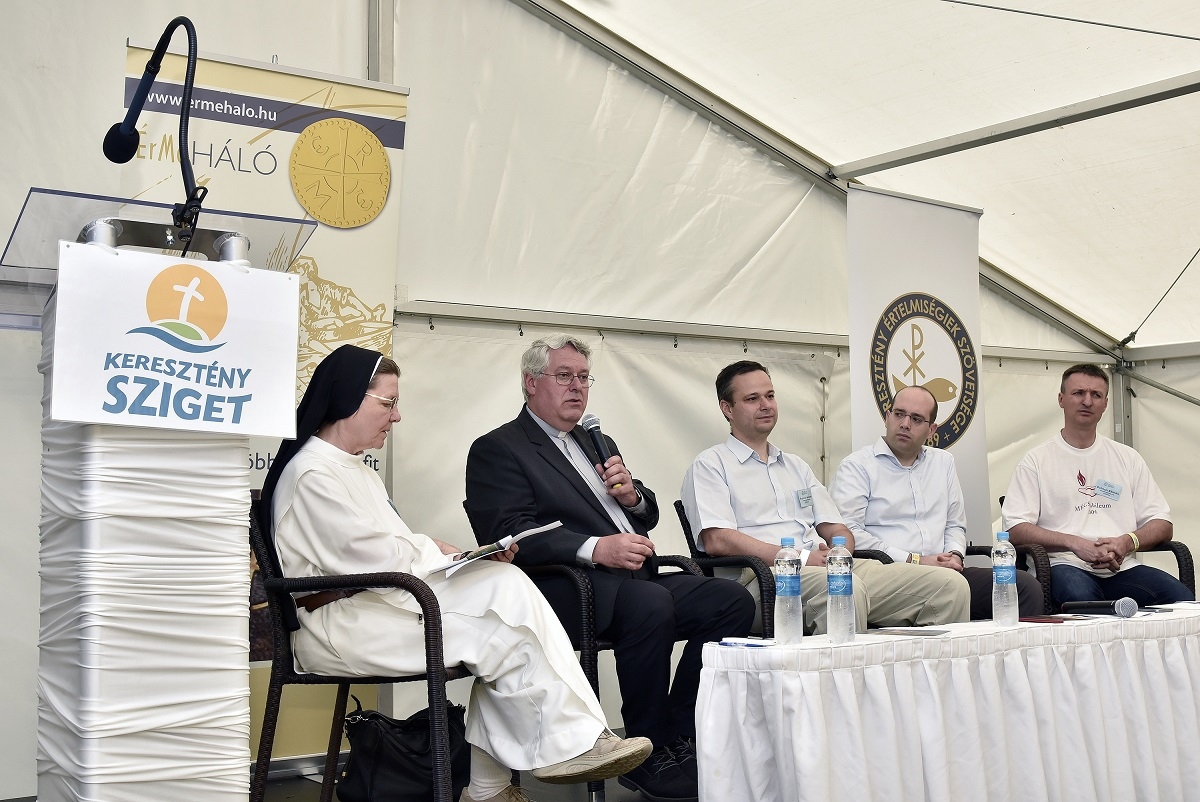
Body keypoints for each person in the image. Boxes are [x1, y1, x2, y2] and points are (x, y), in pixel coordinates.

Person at [259, 345, 651, 802]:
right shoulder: (311, 473)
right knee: (503, 639)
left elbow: (388, 551)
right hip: (339, 626)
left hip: (377, 604)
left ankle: (561, 750)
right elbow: (368, 558)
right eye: (388, 403)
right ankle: (543, 759)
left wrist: (467, 557)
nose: (397, 416)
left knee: (507, 586)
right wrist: (448, 553)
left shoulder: (353, 470)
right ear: (348, 399)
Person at [465, 334, 755, 802]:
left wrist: (633, 496)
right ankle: (647, 750)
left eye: (584, 377)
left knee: (730, 600)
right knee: (650, 603)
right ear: (530, 382)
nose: (577, 387)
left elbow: (647, 513)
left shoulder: (596, 440)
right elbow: (509, 531)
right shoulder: (499, 448)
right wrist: (595, 548)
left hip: (634, 579)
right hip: (564, 587)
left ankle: (683, 732)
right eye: (564, 376)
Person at [680, 360, 970, 634]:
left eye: (770, 395)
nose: (766, 405)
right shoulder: (711, 465)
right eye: (752, 399)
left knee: (949, 586)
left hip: (824, 568)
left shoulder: (795, 466)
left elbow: (837, 528)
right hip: (759, 580)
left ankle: (919, 674)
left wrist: (840, 550)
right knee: (843, 587)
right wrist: (803, 558)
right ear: (727, 408)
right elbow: (718, 539)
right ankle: (847, 674)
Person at [831, 385, 1043, 619]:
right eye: (899, 414)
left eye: (916, 419)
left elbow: (955, 524)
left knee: (1024, 587)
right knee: (949, 587)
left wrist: (954, 556)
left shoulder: (943, 462)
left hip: (944, 570)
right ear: (887, 417)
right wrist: (916, 560)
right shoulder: (857, 466)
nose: (905, 424)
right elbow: (849, 532)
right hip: (890, 574)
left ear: (931, 430)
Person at [1002, 363, 1194, 608]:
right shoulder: (1036, 461)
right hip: (1063, 565)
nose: (1087, 401)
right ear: (1061, 399)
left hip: (1122, 568)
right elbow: (1015, 528)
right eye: (1078, 393)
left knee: (1180, 599)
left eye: (1096, 395)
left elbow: (1162, 523)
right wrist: (1075, 543)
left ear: (1105, 404)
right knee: (1082, 597)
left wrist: (1126, 542)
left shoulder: (1127, 458)